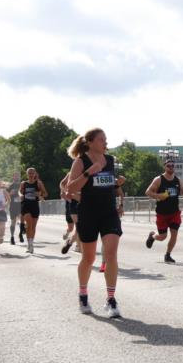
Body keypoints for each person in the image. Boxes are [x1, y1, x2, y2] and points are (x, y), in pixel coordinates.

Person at [65, 128, 123, 317]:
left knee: (111, 254)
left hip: (109, 213)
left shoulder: (111, 160)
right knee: (89, 258)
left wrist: (117, 187)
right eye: (101, 140)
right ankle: (83, 294)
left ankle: (111, 299)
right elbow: (69, 189)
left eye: (106, 139)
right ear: (89, 142)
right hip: (89, 213)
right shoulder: (81, 162)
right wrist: (88, 172)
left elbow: (107, 185)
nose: (105, 143)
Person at [145, 159, 183, 263]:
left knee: (174, 233)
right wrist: (158, 196)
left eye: (172, 166)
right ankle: (152, 236)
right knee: (162, 237)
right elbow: (148, 192)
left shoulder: (177, 180)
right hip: (162, 213)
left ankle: (168, 255)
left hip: (175, 213)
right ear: (164, 167)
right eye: (168, 166)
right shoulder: (159, 179)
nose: (171, 167)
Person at [18, 168, 48, 254]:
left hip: (34, 205)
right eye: (29, 173)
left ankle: (31, 243)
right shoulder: (24, 183)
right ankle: (29, 245)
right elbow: (19, 192)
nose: (31, 175)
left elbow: (46, 193)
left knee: (33, 227)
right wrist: (20, 195)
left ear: (35, 174)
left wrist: (40, 194)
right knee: (29, 224)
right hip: (26, 205)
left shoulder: (38, 183)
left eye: (32, 173)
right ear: (27, 174)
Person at [7, 172, 23, 245]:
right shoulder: (10, 185)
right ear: (13, 177)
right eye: (15, 176)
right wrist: (10, 193)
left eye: (18, 176)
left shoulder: (21, 184)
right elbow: (6, 196)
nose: (16, 177)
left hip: (20, 205)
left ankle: (20, 234)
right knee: (13, 221)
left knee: (22, 220)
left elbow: (24, 193)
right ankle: (12, 237)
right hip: (13, 206)